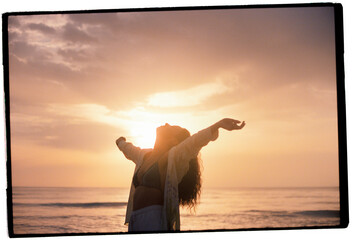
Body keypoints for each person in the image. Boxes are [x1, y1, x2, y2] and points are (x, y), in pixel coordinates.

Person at [115, 118, 245, 232]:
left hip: (153, 218)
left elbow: (195, 141)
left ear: (173, 141)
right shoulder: (144, 155)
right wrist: (120, 142)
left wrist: (219, 124)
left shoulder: (172, 158)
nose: (166, 124)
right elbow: (128, 149)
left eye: (171, 128)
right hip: (135, 217)